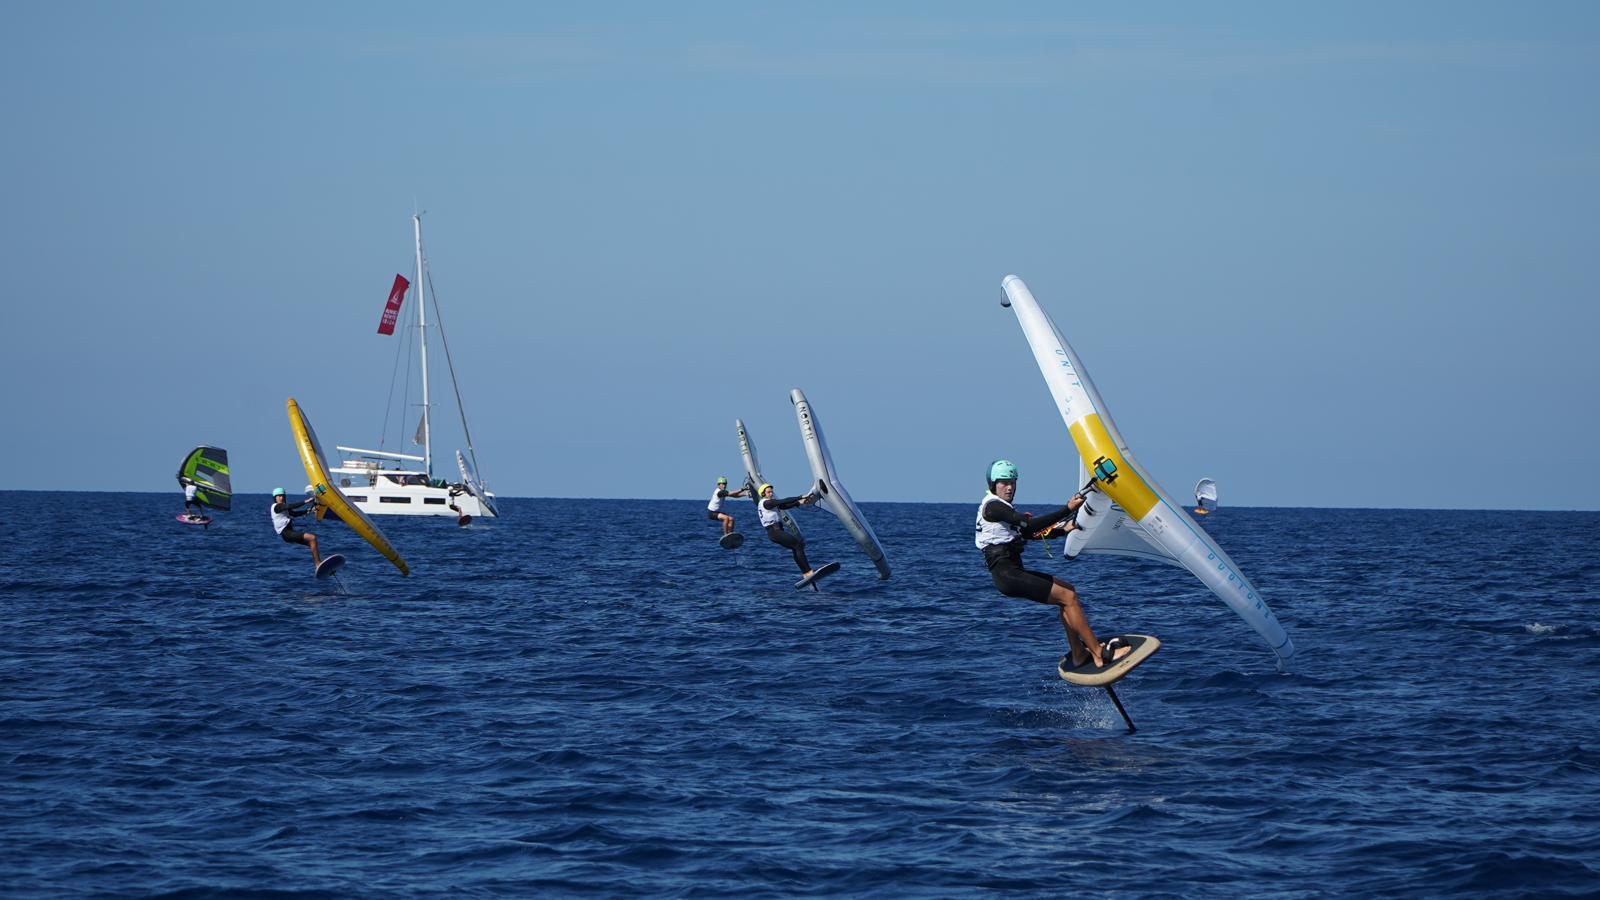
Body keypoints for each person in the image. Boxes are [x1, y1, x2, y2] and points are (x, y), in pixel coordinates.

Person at [975, 459, 1130, 669]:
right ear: (993, 484)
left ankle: (1078, 654)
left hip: (1011, 573)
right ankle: (1100, 652)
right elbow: (1029, 524)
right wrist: (1066, 509)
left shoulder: (1002, 509)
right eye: (1003, 482)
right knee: (1069, 597)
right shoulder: (993, 506)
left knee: (1067, 592)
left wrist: (1063, 529)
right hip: (1007, 575)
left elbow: (1028, 533)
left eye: (1012, 481)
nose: (1009, 486)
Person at [756, 482, 818, 578]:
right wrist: (800, 496)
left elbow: (785, 506)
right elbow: (783, 501)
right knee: (798, 545)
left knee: (796, 547)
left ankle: (806, 573)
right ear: (763, 494)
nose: (771, 494)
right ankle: (808, 571)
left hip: (776, 532)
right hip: (774, 532)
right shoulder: (766, 502)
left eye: (771, 492)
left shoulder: (770, 504)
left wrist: (798, 503)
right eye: (768, 492)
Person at [270, 487, 322, 571]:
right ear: (275, 498)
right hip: (286, 534)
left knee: (313, 543)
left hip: (289, 534)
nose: (281, 497)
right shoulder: (276, 507)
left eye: (283, 496)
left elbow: (294, 514)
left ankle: (319, 564)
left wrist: (309, 510)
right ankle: (318, 564)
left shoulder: (284, 508)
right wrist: (306, 501)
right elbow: (290, 506)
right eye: (279, 496)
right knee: (312, 538)